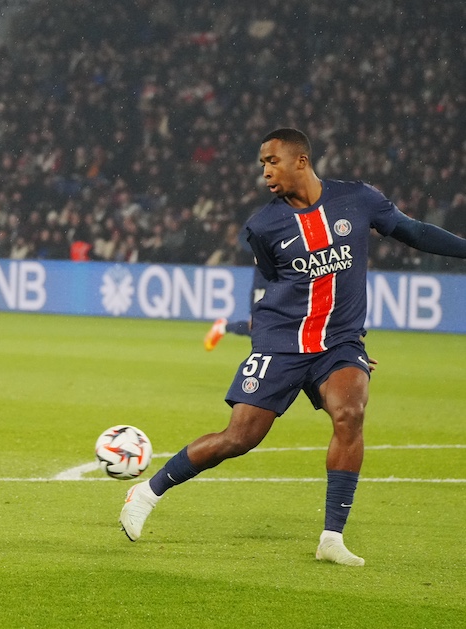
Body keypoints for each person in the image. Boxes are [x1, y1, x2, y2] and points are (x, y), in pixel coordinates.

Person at [120, 128, 466, 566]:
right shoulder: (263, 226)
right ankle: (146, 492)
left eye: (272, 161)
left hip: (338, 343)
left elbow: (414, 232)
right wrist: (269, 341)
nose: (265, 171)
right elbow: (272, 285)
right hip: (282, 342)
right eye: (262, 164)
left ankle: (331, 538)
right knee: (239, 438)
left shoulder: (358, 199)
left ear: (301, 160)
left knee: (350, 413)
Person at [203, 269, 268, 350]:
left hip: (278, 286)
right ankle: (221, 328)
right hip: (264, 287)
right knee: (256, 328)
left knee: (266, 329)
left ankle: (222, 328)